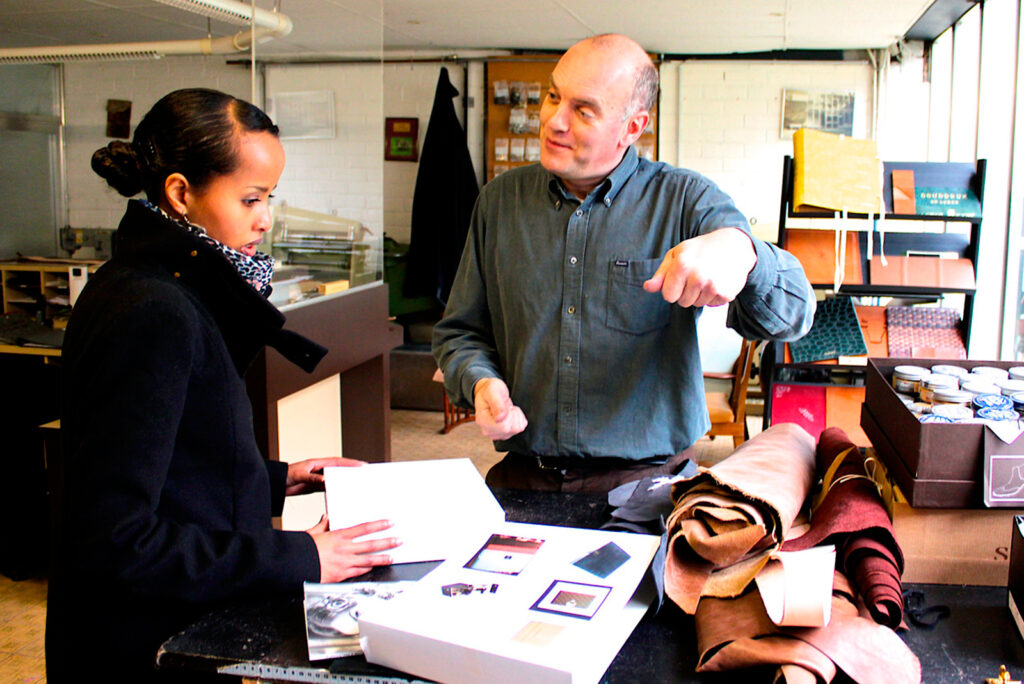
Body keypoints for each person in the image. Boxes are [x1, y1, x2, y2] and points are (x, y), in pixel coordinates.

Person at [45, 88, 400, 683]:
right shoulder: (152, 310)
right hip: (139, 648)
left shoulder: (166, 286)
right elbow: (117, 538)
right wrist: (303, 555)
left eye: (270, 198)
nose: (265, 219)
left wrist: (275, 477)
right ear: (181, 193)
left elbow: (169, 466)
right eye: (250, 198)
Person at [433, 34, 815, 493]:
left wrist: (745, 253)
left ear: (633, 127)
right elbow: (460, 332)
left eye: (583, 110)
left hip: (648, 486)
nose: (554, 120)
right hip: (523, 481)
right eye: (554, 96)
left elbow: (797, 315)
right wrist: (479, 382)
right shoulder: (499, 202)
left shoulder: (685, 200)